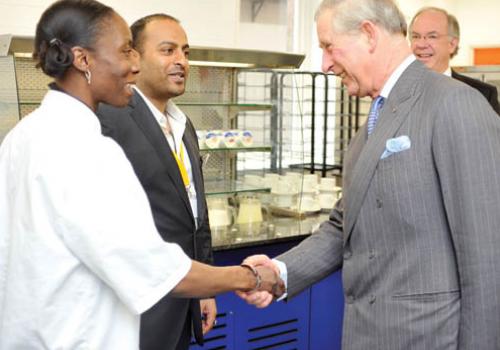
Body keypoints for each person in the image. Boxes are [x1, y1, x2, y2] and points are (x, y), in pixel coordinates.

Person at [0, 1, 284, 349]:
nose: (134, 65)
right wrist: (251, 277)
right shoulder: (89, 149)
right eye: (124, 52)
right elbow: (153, 267)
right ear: (83, 59)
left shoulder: (22, 136)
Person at [239, 0, 500, 349]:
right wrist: (279, 272)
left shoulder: (455, 105)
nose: (326, 65)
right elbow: (344, 225)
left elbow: (487, 258)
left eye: (329, 47)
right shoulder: (373, 123)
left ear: (368, 34)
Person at [97, 14, 214, 350]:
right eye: (168, 50)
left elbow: (195, 214)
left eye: (186, 52)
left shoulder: (182, 124)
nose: (181, 61)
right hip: (136, 311)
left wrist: (204, 288)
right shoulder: (110, 119)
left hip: (182, 300)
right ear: (134, 57)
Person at [409, 7, 500, 114]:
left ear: (452, 44)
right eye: (415, 36)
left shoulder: (482, 93)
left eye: (432, 36)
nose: (421, 44)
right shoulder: (395, 91)